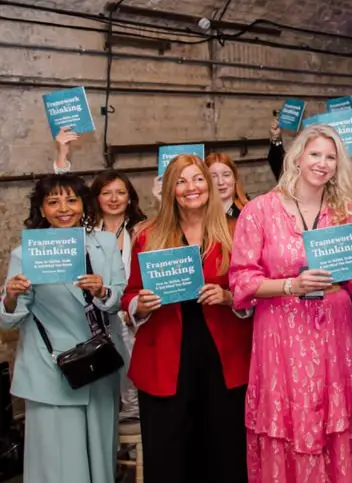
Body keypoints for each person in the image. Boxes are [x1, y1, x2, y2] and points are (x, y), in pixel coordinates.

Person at [229, 125, 352, 482]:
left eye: (330, 157)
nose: (322, 163)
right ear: (297, 157)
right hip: (282, 334)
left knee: (332, 416)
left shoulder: (346, 212)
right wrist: (290, 285)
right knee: (287, 419)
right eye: (315, 154)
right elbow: (241, 282)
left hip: (334, 333)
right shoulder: (260, 210)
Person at [124, 154, 250, 482]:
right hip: (165, 360)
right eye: (180, 181)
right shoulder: (148, 235)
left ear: (208, 184)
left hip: (224, 360)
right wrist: (141, 304)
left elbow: (252, 288)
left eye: (197, 179)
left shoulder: (236, 231)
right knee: (168, 456)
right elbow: (130, 293)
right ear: (170, 190)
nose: (190, 187)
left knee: (225, 453)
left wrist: (228, 297)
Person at [2, 174, 126, 482]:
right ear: (42, 210)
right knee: (59, 465)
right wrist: (10, 296)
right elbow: (9, 318)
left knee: (100, 461)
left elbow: (119, 299)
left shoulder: (104, 245)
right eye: (53, 202)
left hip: (99, 367)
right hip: (50, 372)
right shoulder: (25, 254)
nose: (63, 208)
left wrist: (102, 291)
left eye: (71, 200)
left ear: (84, 205)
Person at [86, 169, 146, 421]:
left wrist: (134, 307)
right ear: (96, 198)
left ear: (129, 197)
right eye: (106, 193)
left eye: (120, 193)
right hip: (97, 315)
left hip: (134, 313)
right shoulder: (86, 232)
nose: (114, 199)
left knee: (134, 372)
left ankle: (135, 421)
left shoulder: (143, 229)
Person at [206, 153, 251, 219]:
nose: (220, 182)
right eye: (213, 176)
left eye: (226, 175)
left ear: (235, 178)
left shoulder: (249, 211)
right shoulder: (200, 214)